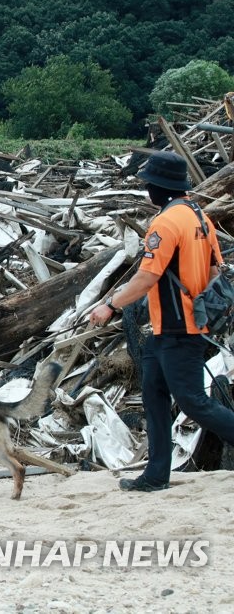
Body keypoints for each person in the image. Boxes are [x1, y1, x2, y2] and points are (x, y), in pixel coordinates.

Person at [87, 151, 229, 491]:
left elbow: (145, 279)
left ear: (161, 188)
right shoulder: (199, 216)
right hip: (172, 328)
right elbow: (214, 271)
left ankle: (157, 474)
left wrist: (109, 304)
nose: (147, 190)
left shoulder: (165, 223)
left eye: (149, 184)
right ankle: (156, 474)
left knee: (195, 402)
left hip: (179, 327)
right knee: (154, 395)